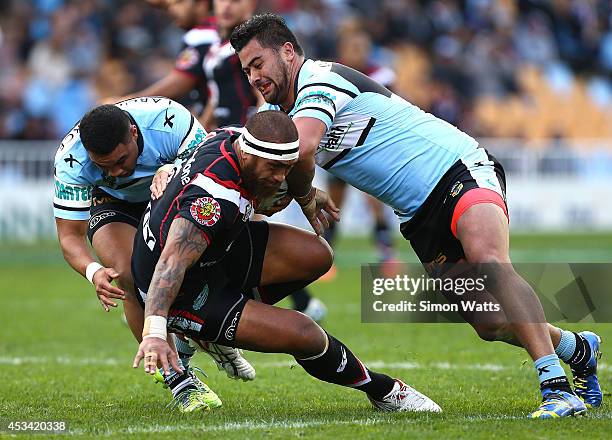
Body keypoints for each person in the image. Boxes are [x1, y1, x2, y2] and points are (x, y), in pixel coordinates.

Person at [229, 14, 602, 418]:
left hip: (457, 168)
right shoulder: (280, 108)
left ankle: (556, 388)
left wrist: (300, 195)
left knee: (490, 262)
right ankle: (576, 349)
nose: (254, 77)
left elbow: (302, 150)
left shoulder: (319, 81)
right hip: (418, 212)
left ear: (287, 52)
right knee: (489, 323)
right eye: (246, 70)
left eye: (258, 64)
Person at [131, 110, 441, 413]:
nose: (280, 177)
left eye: (286, 167)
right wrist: (155, 332)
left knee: (316, 255)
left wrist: (304, 195)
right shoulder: (211, 200)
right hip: (182, 289)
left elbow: (287, 166)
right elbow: (171, 264)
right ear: (248, 155)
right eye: (273, 168)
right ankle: (383, 389)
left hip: (215, 252)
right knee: (304, 333)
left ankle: (216, 329)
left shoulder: (233, 138)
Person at [53, 97, 255, 413]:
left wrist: (172, 168)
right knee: (127, 275)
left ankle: (201, 332)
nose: (118, 171)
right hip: (113, 204)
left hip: (176, 189)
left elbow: (212, 166)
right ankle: (178, 380)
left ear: (134, 132)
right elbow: (69, 237)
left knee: (197, 257)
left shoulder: (168, 120)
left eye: (122, 160)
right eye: (105, 166)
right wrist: (93, 271)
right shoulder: (71, 160)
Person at [321, 26, 401, 281]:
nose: (357, 51)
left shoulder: (381, 75)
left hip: (370, 148)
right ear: (343, 49)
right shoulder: (333, 73)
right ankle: (323, 258)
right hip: (339, 147)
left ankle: (387, 255)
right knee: (334, 204)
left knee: (375, 201)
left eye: (361, 46)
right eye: (352, 46)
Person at [103, 0, 218, 115]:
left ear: (201, 3)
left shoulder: (203, 34)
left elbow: (180, 83)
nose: (172, 10)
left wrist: (130, 102)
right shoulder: (219, 29)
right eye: (170, 6)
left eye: (179, 3)